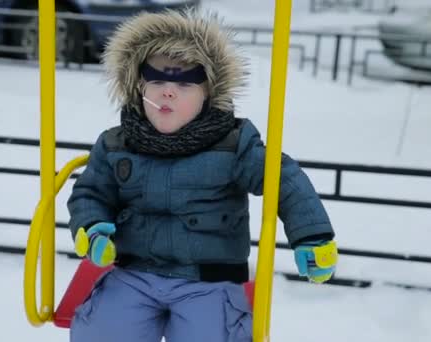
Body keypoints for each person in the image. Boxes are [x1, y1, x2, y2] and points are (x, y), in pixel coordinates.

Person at [67, 9, 337, 342]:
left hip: (209, 279)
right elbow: (90, 193)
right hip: (135, 271)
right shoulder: (116, 144)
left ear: (208, 93)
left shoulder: (234, 145)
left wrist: (312, 236)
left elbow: (283, 178)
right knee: (101, 333)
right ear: (138, 87)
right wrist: (92, 228)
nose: (168, 92)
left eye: (184, 83)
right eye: (157, 81)